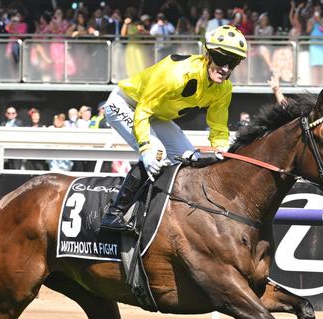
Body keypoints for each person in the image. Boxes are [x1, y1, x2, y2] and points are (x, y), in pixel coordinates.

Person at [100, 25, 247, 232]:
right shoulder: (177, 74)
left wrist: (222, 150)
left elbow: (218, 127)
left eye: (233, 63)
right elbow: (143, 110)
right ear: (208, 55)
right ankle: (114, 213)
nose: (225, 69)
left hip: (157, 115)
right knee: (156, 153)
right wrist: (145, 149)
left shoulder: (224, 88)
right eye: (222, 60)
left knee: (193, 159)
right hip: (127, 104)